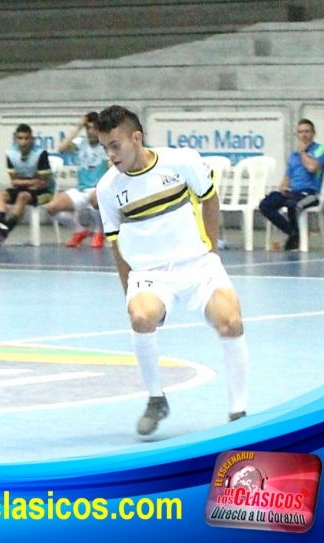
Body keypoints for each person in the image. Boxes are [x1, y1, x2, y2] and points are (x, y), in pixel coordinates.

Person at [95, 105, 248, 436]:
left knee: (232, 322)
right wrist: (130, 293)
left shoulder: (182, 162)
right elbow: (116, 244)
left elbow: (209, 197)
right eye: (105, 147)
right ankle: (156, 398)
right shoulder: (108, 188)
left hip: (197, 267)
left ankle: (238, 412)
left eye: (115, 145)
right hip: (150, 275)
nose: (110, 154)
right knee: (140, 318)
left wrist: (210, 246)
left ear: (136, 138)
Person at [259, 119, 324, 251]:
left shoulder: (320, 150)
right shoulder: (293, 156)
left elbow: (312, 168)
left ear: (313, 133)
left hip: (310, 194)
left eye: (307, 131)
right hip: (292, 192)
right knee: (266, 204)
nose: (304, 135)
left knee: (294, 205)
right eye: (300, 132)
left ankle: (295, 238)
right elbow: (286, 178)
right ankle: (293, 233)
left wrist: (303, 152)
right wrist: (282, 190)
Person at [46, 112, 108, 249]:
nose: (91, 132)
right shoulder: (80, 143)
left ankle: (99, 232)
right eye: (88, 128)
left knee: (96, 198)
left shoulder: (107, 145)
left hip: (99, 190)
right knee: (52, 208)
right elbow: (61, 148)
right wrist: (78, 126)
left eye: (94, 128)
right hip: (81, 190)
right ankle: (79, 231)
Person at [0, 123, 54, 246]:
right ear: (15, 139)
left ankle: (5, 229)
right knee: (2, 194)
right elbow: (14, 181)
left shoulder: (41, 154)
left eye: (26, 138)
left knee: (23, 196)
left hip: (45, 192)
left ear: (32, 139)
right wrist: (31, 181)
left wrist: (25, 182)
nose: (23, 142)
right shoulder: (11, 154)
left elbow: (43, 183)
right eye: (20, 138)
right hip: (22, 189)